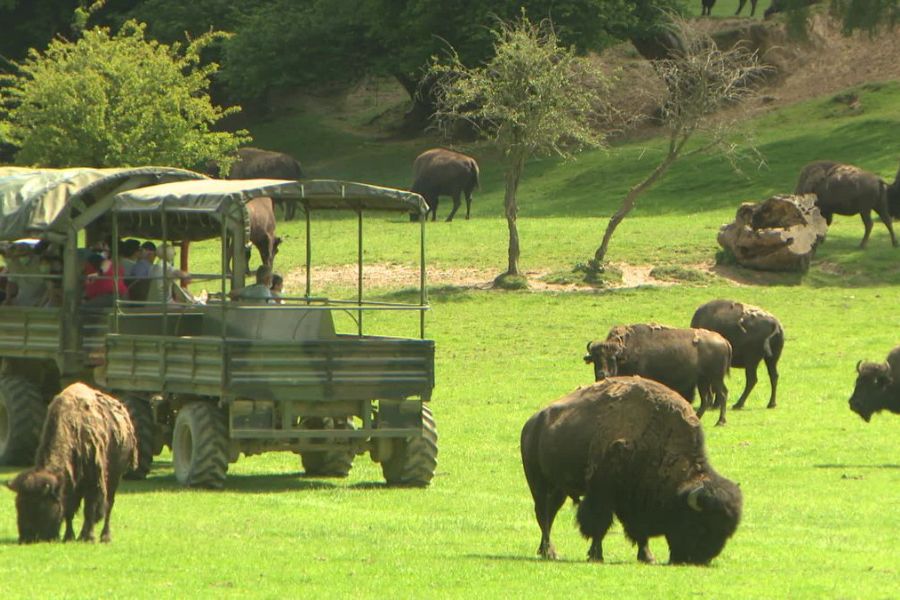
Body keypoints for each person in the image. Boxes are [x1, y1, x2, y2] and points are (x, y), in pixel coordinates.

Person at [3, 240, 48, 307]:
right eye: (18, 255)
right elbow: (11, 282)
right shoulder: (15, 264)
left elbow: (50, 287)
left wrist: (41, 303)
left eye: (24, 254)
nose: (21, 257)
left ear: (31, 253)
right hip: (21, 301)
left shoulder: (41, 263)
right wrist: (8, 299)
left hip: (41, 302)